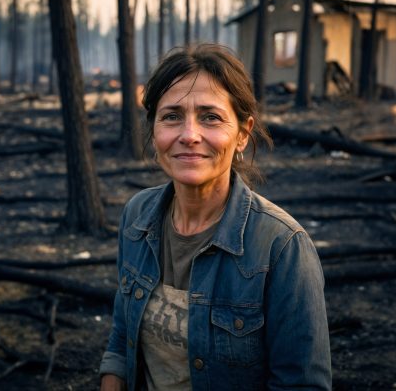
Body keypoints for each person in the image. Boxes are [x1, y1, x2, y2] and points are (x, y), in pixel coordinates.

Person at [98, 44, 331, 390]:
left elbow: (301, 384)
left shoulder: (282, 247)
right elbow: (121, 338)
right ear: (154, 129)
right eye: (172, 116)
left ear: (242, 133)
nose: (189, 135)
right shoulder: (137, 217)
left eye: (210, 117)